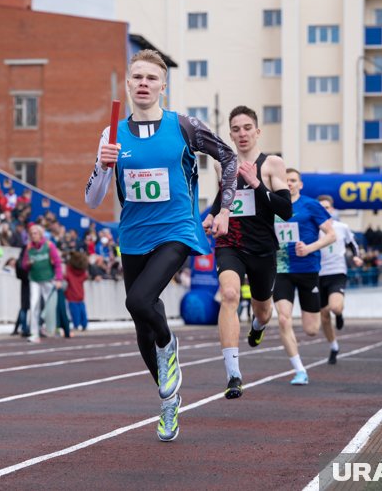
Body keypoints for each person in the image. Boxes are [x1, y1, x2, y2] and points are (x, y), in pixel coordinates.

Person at [84, 49, 237, 442]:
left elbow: (229, 157)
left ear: (163, 86)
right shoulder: (111, 133)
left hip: (177, 230)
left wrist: (223, 209)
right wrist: (103, 166)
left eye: (151, 78)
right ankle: (169, 402)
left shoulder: (185, 126)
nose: (143, 84)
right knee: (141, 325)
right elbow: (92, 198)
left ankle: (169, 344)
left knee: (138, 301)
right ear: (128, 83)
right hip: (134, 235)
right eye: (137, 77)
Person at [203, 105, 292, 399]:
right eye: (236, 129)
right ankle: (234, 375)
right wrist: (212, 215)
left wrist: (256, 183)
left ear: (257, 131)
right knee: (229, 294)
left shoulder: (272, 165)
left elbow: (286, 210)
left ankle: (257, 326)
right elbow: (224, 197)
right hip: (231, 243)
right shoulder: (222, 163)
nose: (242, 134)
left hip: (263, 248)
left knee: (264, 311)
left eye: (247, 128)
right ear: (230, 134)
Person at [272, 169, 335, 385]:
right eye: (285, 180)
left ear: (300, 184)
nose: (288, 184)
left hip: (308, 269)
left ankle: (294, 336)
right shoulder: (273, 206)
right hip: (281, 270)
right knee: (283, 318)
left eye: (292, 181)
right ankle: (299, 370)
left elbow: (331, 235)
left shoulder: (311, 205)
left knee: (311, 330)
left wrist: (309, 248)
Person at [317, 195, 363, 365]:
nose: (324, 210)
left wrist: (357, 258)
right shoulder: (312, 227)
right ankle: (334, 346)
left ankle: (339, 313)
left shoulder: (341, 227)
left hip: (337, 272)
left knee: (335, 307)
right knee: (323, 316)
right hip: (317, 274)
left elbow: (353, 245)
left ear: (332, 209)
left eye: (327, 207)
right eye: (321, 207)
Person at [21, 224, 63, 343]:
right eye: (31, 234)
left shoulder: (49, 245)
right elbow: (24, 265)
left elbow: (57, 263)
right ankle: (34, 333)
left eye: (35, 233)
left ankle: (52, 328)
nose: (33, 236)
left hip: (48, 280)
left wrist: (59, 279)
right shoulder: (29, 247)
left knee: (49, 306)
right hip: (34, 279)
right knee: (34, 305)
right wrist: (28, 264)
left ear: (40, 234)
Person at [65, 250, 89, 331]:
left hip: (71, 295)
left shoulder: (69, 270)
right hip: (80, 294)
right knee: (82, 311)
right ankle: (84, 324)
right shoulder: (82, 272)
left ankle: (76, 325)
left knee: (75, 312)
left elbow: (66, 277)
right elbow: (86, 277)